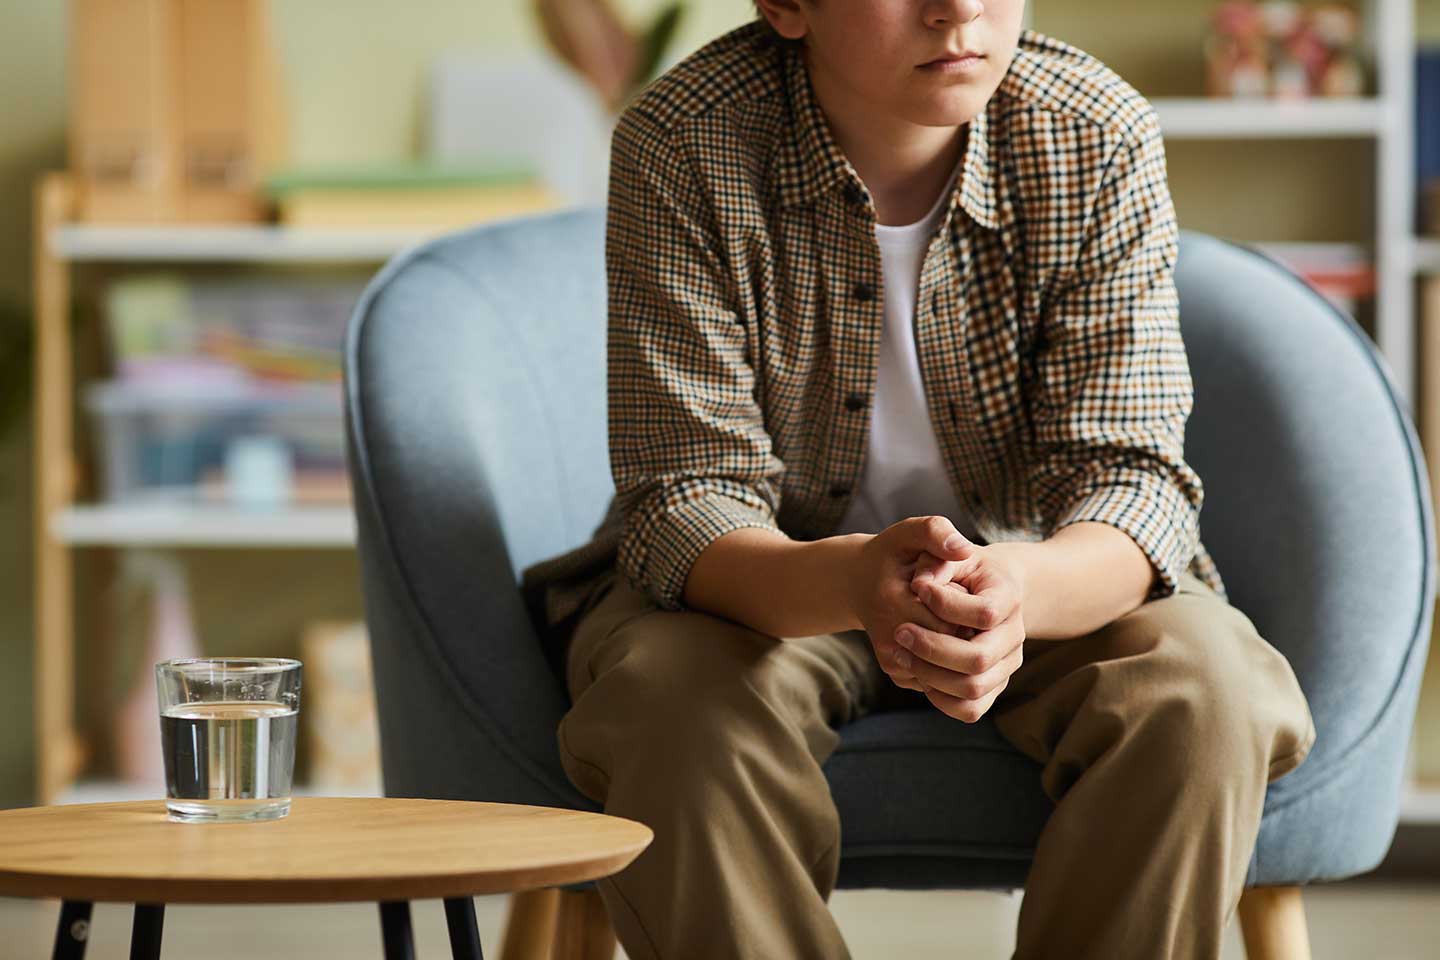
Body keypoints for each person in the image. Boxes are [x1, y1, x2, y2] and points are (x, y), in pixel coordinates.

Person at [519, 1, 1318, 957]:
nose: (961, 9)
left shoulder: (1094, 132)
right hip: (761, 591)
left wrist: (1017, 589)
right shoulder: (684, 136)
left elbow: (1133, 479)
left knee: (1204, 688)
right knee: (668, 703)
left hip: (1045, 582)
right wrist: (854, 583)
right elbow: (685, 496)